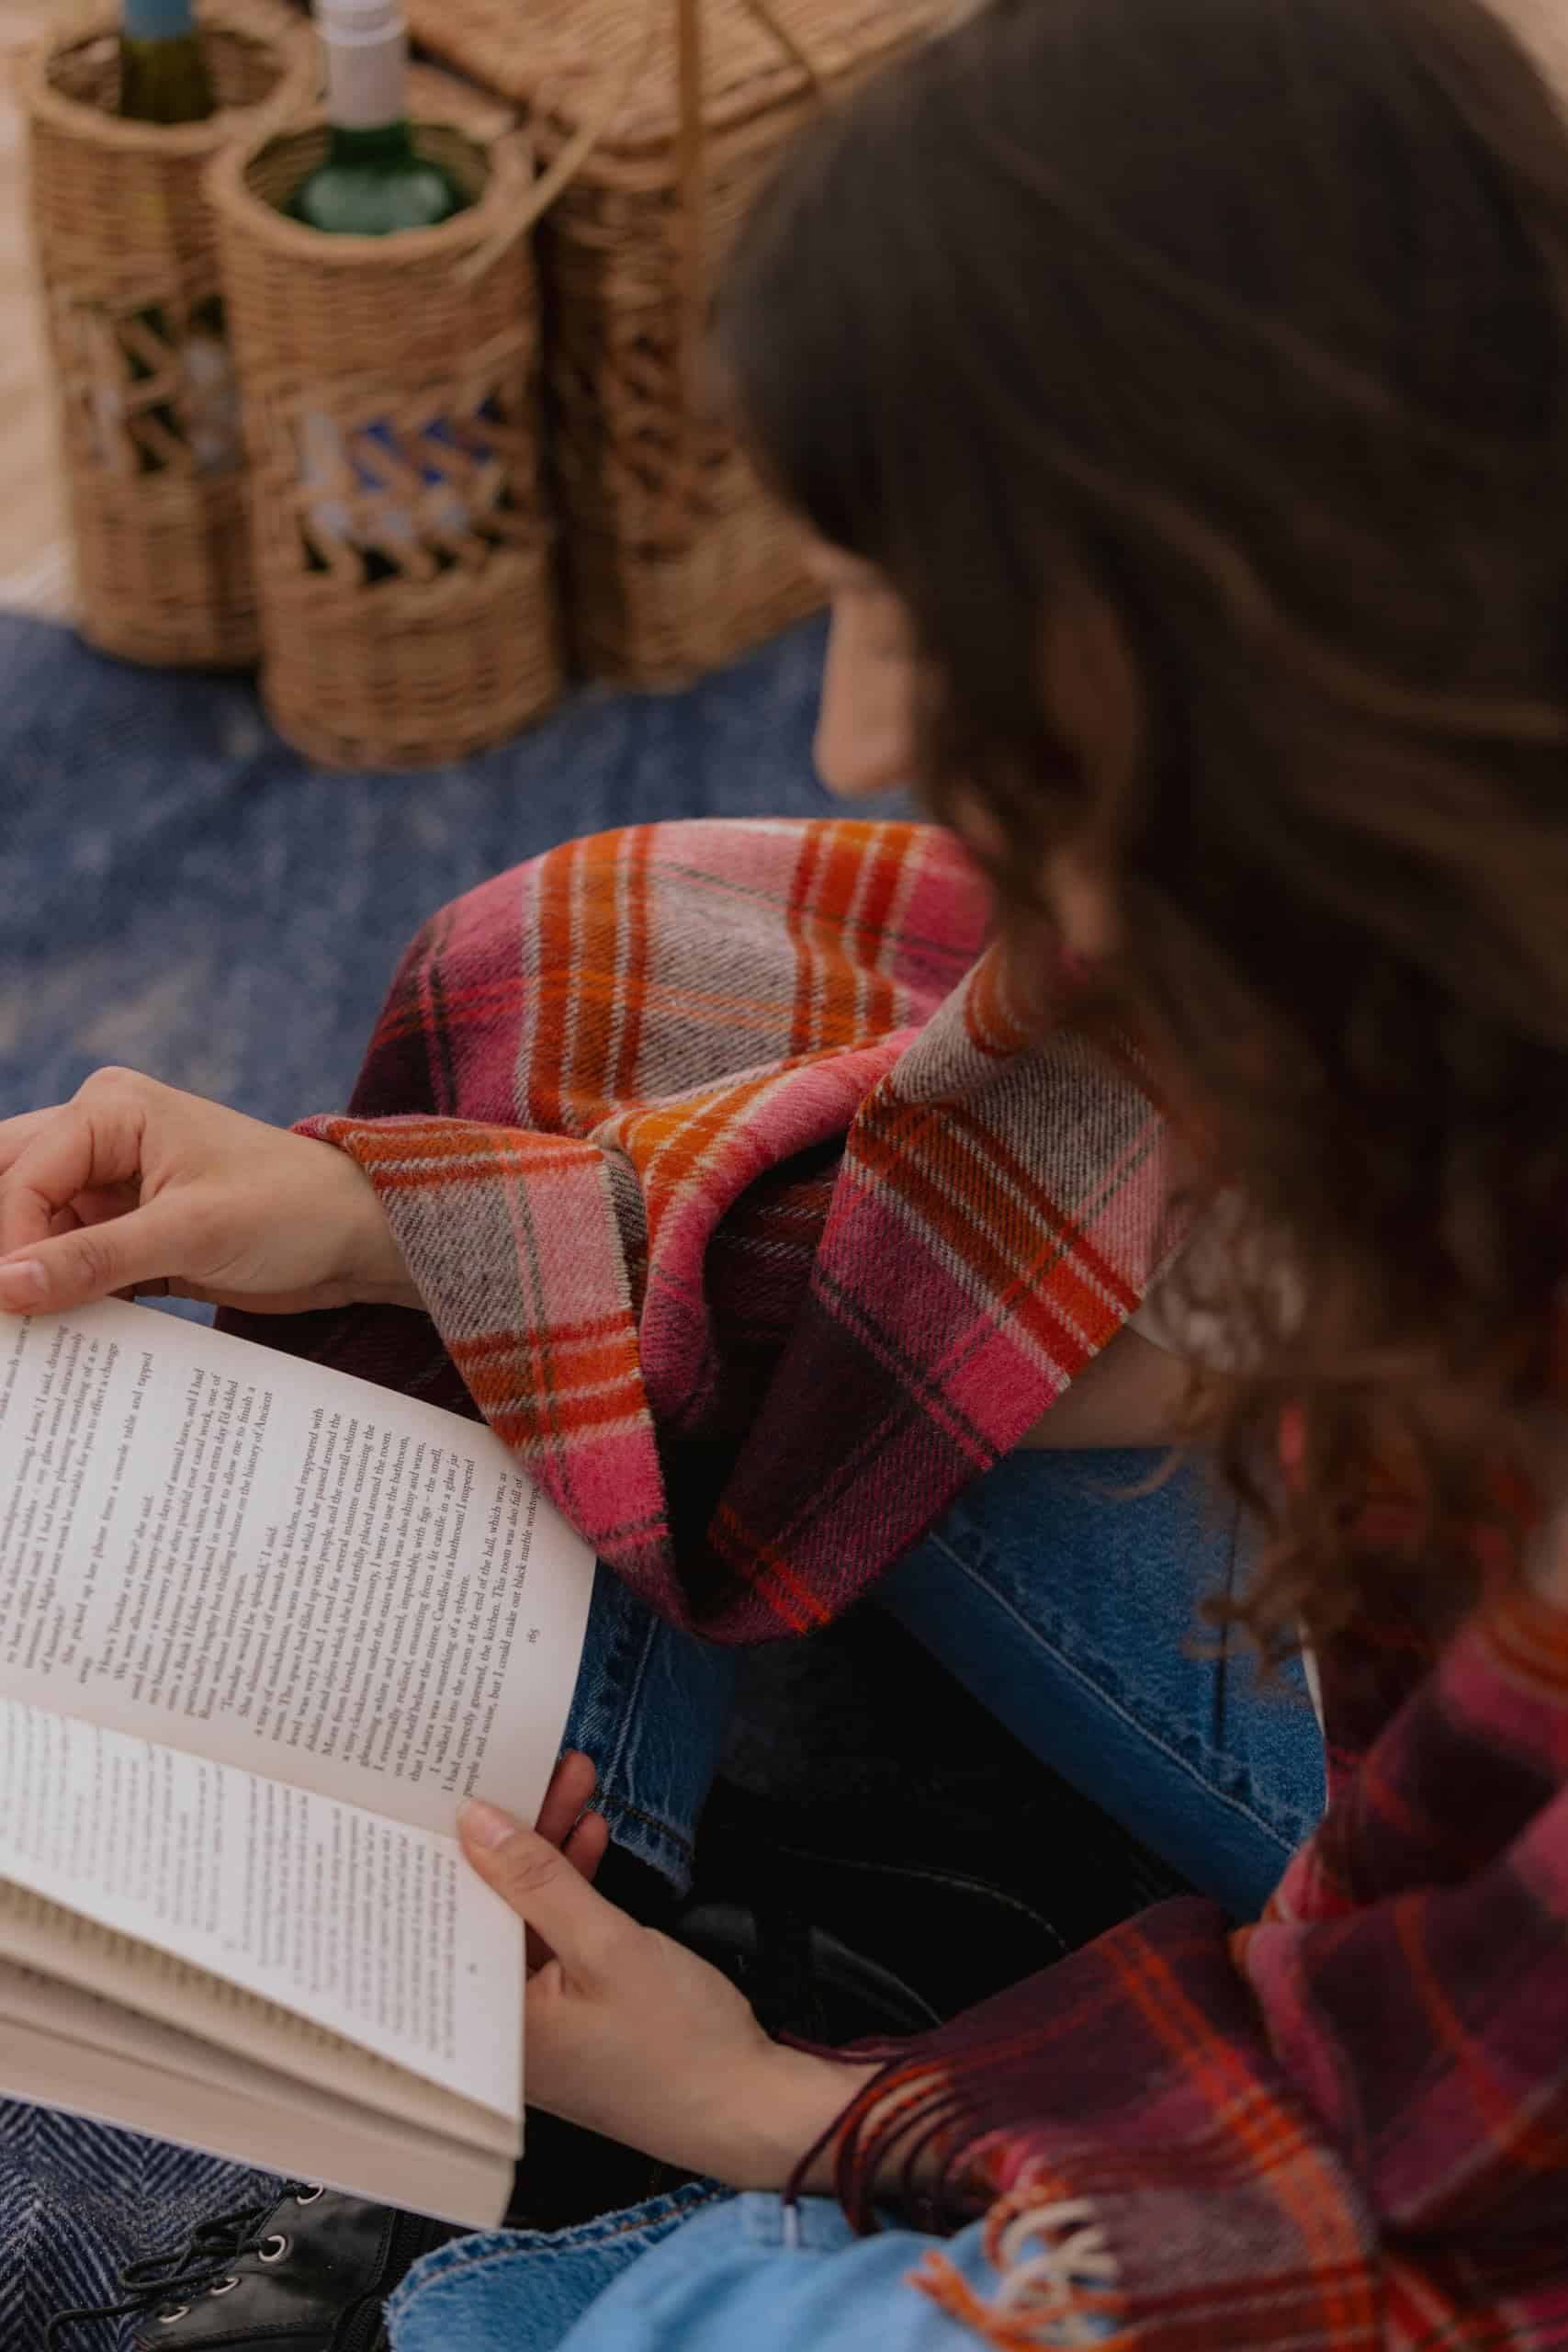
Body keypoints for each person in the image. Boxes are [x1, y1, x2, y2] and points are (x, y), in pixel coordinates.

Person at [6, 0, 1568, 2343]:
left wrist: (787, 2117)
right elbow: (1197, 1249)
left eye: (918, 618)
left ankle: (548, 2163)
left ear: (1235, 598)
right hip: (1435, 1753)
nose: (850, 723)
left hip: (1483, 2100)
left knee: (687, 2319)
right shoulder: (1437, 824)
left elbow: (1441, 2213)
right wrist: (389, 1227)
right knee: (584, 990)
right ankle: (554, 1979)